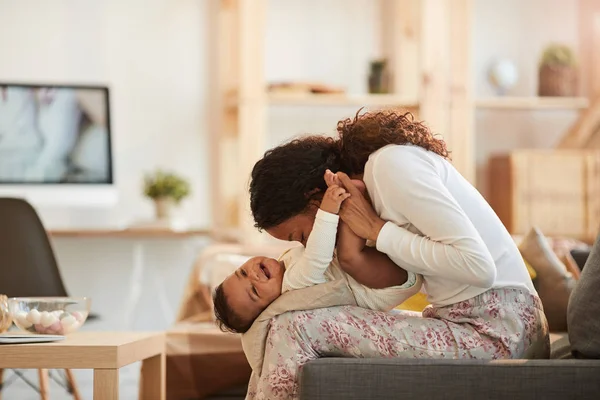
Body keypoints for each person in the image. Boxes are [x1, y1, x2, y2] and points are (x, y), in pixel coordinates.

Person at [245, 110, 550, 399]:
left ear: (315, 197)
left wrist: (377, 230)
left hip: (500, 332)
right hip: (476, 324)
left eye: (300, 236)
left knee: (294, 328)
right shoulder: (378, 185)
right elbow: (402, 277)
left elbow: (480, 267)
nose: (308, 246)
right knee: (287, 324)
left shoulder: (391, 166)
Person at [213, 170, 420, 333]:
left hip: (375, 271)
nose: (253, 275)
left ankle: (355, 196)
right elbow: (318, 255)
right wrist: (328, 209)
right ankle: (355, 195)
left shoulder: (285, 266)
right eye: (255, 291)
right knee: (347, 254)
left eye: (242, 272)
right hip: (379, 288)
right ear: (268, 307)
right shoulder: (293, 284)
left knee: (347, 250)